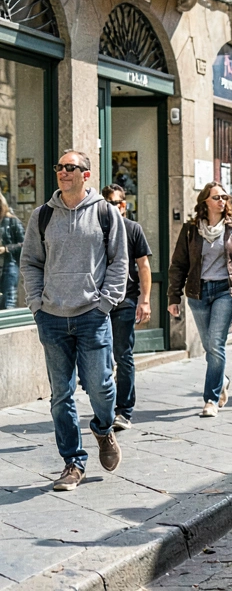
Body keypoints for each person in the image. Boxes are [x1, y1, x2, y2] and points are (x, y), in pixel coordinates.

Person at [21, 150, 128, 491]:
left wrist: (104, 304)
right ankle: (72, 463)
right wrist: (37, 304)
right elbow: (30, 262)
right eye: (59, 167)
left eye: (71, 167)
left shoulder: (105, 213)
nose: (63, 172)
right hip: (52, 317)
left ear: (86, 174)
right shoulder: (42, 216)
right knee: (60, 396)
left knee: (101, 387)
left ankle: (103, 426)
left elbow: (119, 262)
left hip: (91, 316)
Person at [168, 182, 232, 418]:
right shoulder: (191, 230)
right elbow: (178, 264)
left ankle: (210, 399)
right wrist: (173, 296)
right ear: (205, 202)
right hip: (198, 293)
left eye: (225, 197)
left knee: (216, 344)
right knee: (209, 346)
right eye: (217, 197)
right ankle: (223, 381)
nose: (222, 201)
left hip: (226, 291)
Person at [102, 185, 152, 431]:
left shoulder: (133, 229)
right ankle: (105, 407)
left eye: (116, 203)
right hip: (97, 301)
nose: (112, 208)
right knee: (100, 357)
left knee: (122, 354)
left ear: (123, 205)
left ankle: (124, 411)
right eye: (107, 203)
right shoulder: (96, 229)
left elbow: (143, 266)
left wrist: (145, 300)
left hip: (125, 300)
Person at [0, 193, 23, 310]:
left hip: (8, 266)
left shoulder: (12, 221)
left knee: (8, 301)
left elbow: (24, 244)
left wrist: (6, 248)